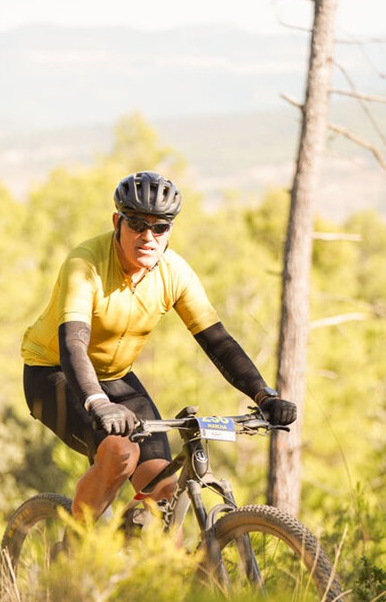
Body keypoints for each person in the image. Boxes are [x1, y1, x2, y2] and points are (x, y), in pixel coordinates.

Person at [21, 170, 296, 521]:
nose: (148, 237)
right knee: (120, 454)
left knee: (164, 490)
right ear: (117, 222)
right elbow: (73, 343)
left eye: (160, 227)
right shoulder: (85, 263)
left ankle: (146, 552)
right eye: (137, 224)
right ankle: (80, 547)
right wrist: (97, 402)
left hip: (116, 377)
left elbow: (218, 342)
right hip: (53, 372)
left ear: (170, 231)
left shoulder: (174, 273)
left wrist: (264, 395)